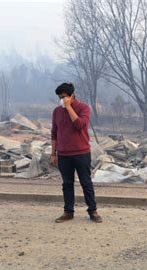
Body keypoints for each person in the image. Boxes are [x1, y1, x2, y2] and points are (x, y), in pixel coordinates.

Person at [51, 83, 102, 223]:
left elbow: (79, 124)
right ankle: (68, 212)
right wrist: (53, 153)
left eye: (64, 97)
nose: (62, 100)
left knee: (86, 182)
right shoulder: (56, 112)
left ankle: (93, 211)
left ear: (72, 95)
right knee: (67, 184)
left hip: (81, 153)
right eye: (60, 98)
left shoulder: (83, 108)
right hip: (63, 154)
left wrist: (68, 107)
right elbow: (54, 133)